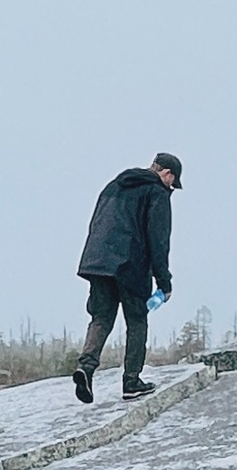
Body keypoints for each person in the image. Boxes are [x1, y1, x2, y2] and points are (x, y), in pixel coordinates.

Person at [71, 152, 182, 403]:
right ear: (167, 174)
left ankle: (86, 368)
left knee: (101, 318)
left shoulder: (115, 185)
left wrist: (95, 260)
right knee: (137, 320)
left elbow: (97, 224)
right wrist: (164, 282)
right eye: (172, 183)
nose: (171, 188)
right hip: (130, 262)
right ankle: (131, 380)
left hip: (98, 262)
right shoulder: (156, 193)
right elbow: (159, 240)